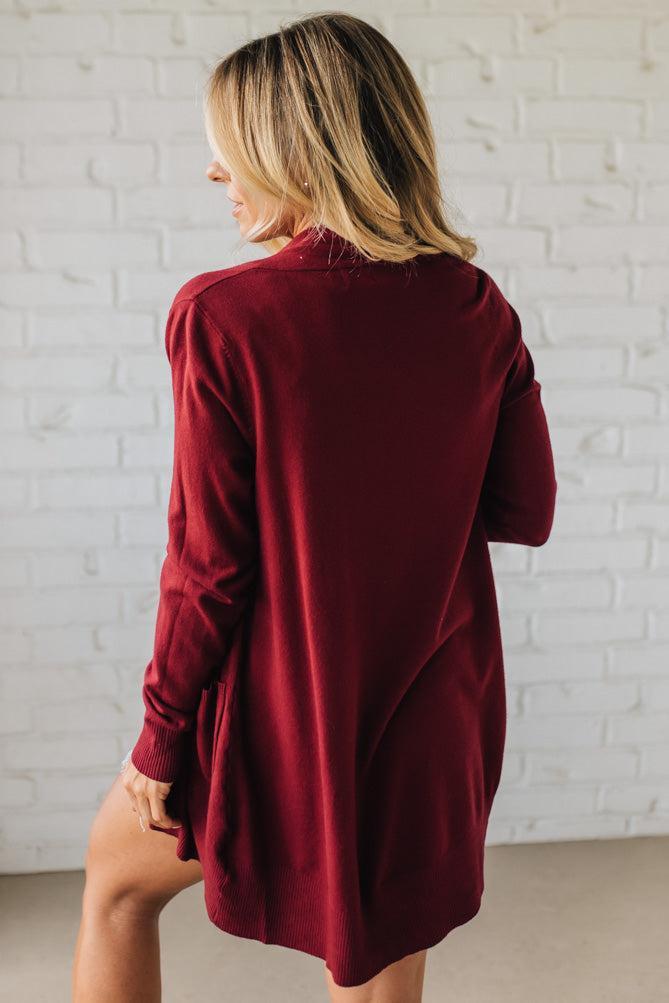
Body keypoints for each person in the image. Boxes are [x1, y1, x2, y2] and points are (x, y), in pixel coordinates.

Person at [72, 11, 557, 1002]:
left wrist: (162, 739)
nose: (216, 174)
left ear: (299, 146)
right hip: (427, 722)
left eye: (229, 149)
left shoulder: (225, 316)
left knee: (116, 888)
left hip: (283, 716)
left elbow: (210, 565)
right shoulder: (478, 305)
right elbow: (525, 508)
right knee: (377, 976)